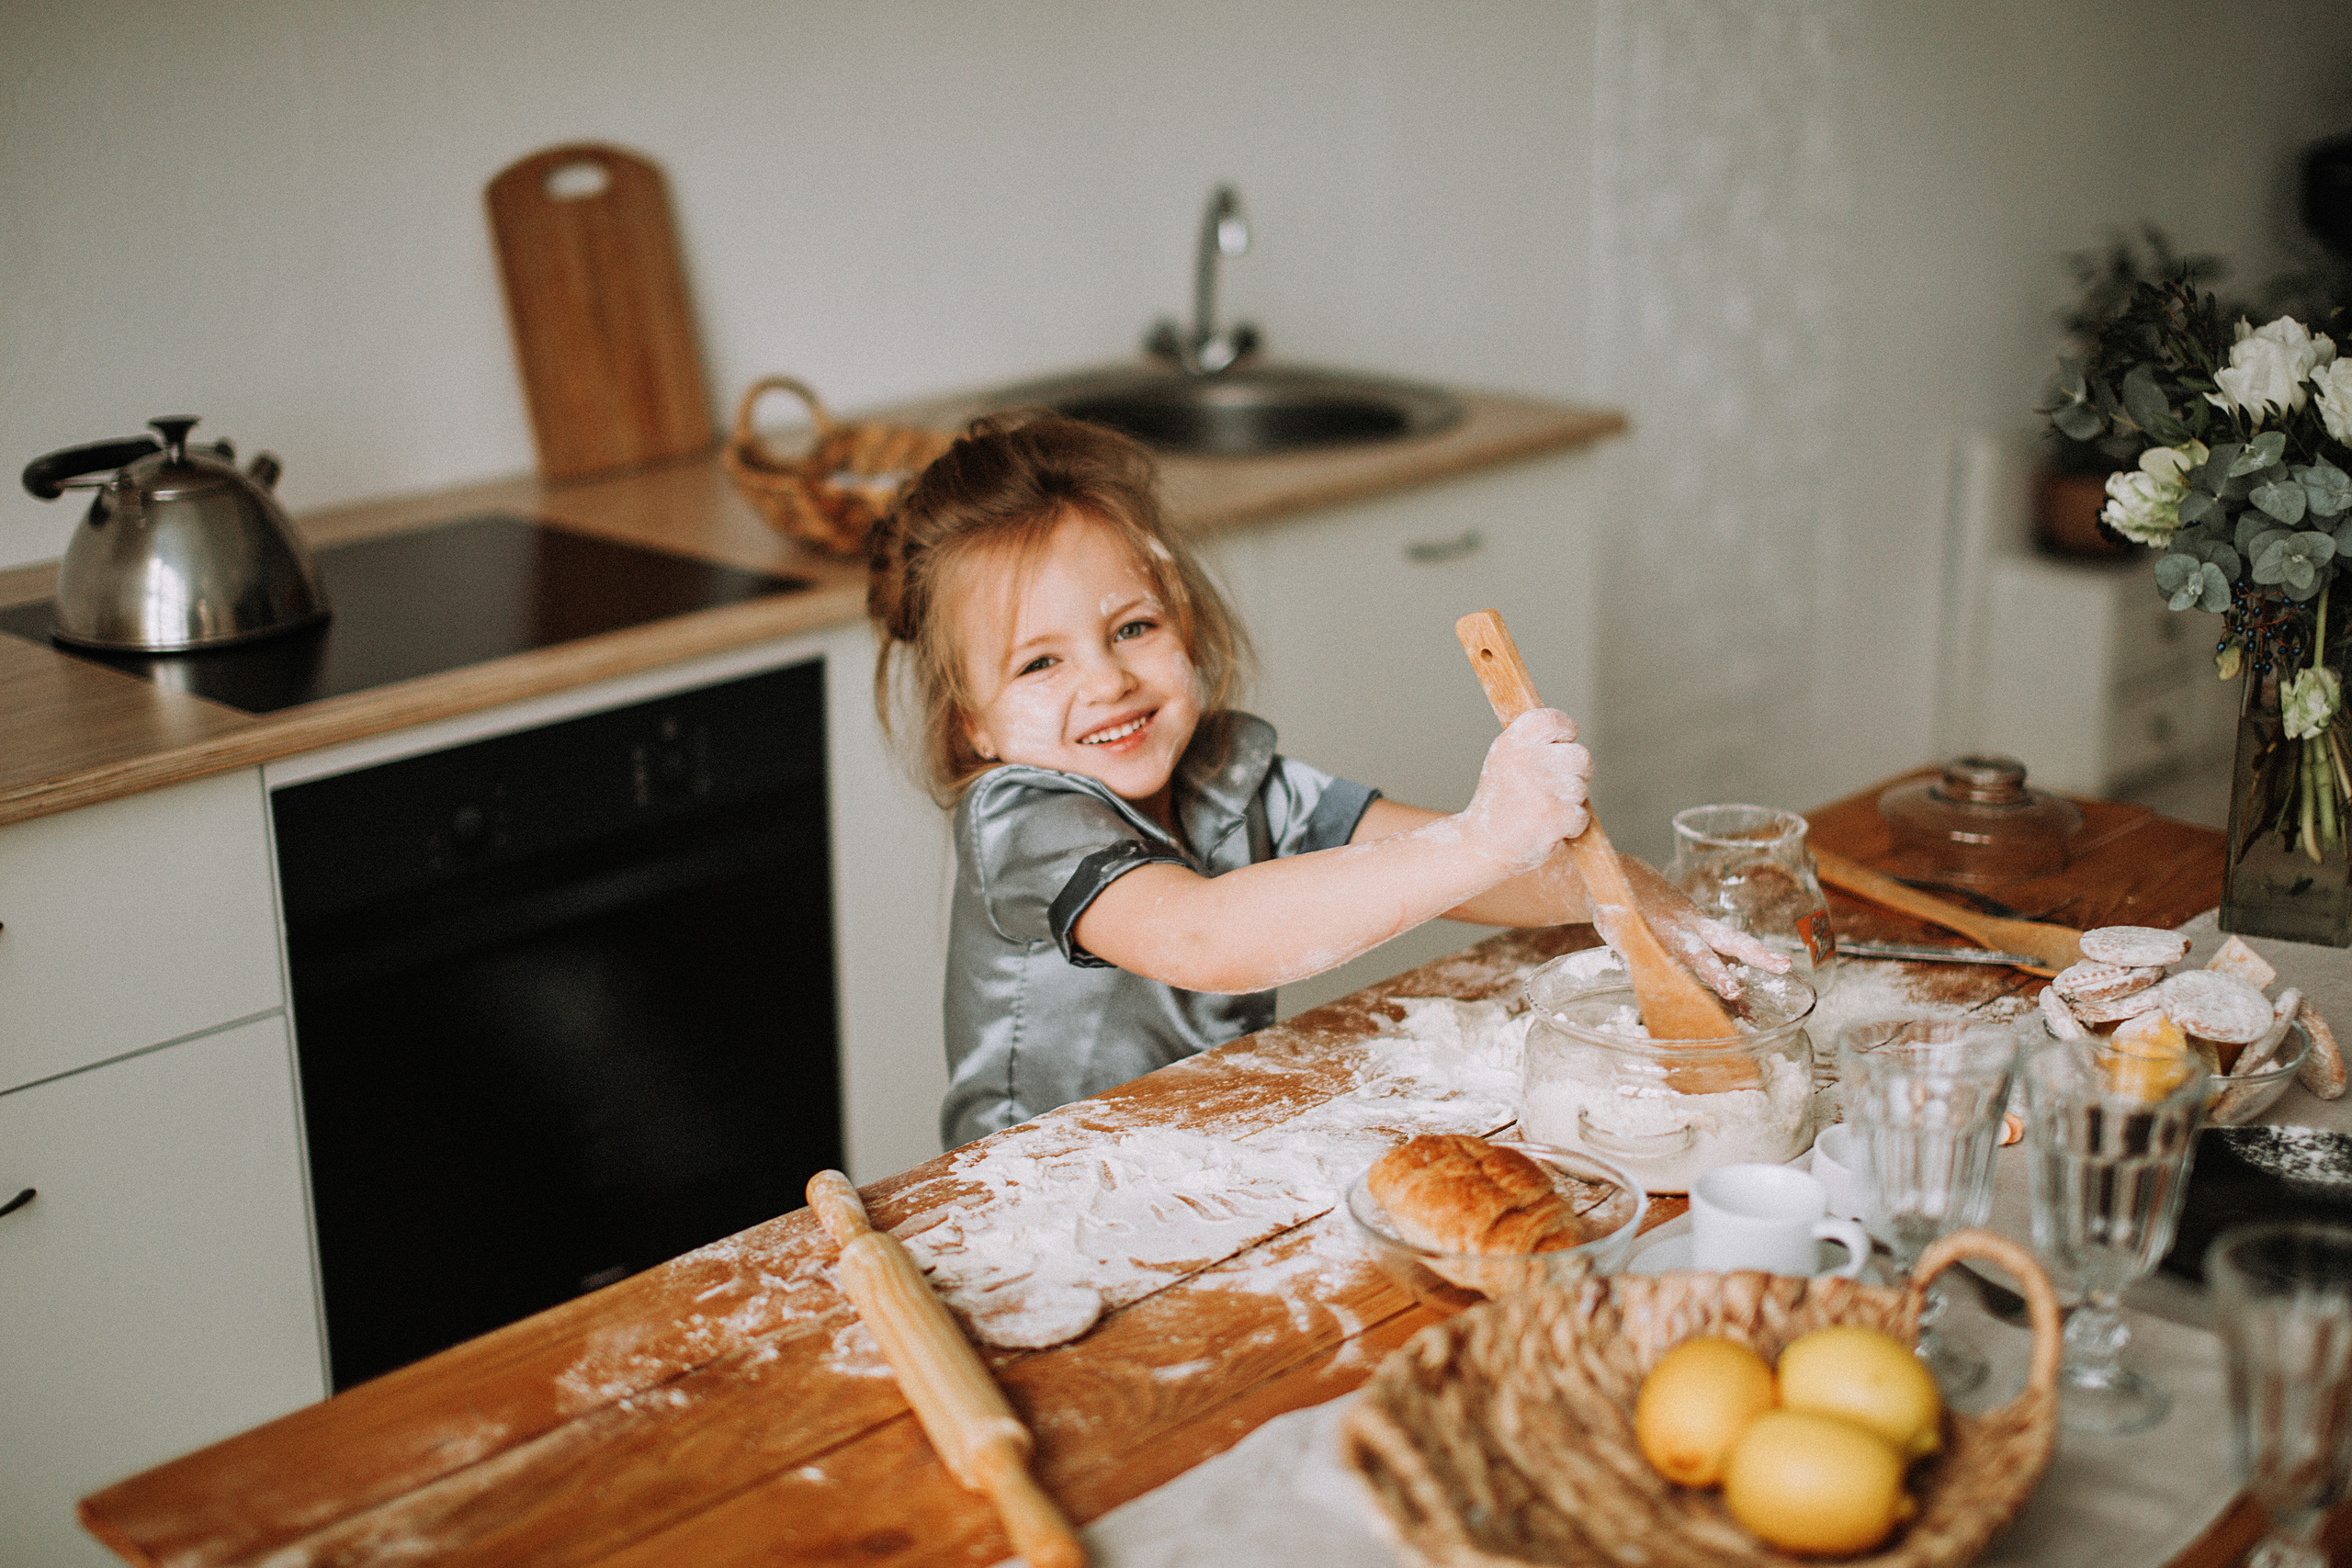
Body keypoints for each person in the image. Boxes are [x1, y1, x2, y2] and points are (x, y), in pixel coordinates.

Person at [867, 412, 1780, 1149]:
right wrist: (1483, 835)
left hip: (1196, 1154)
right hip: (1034, 1194)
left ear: (1187, 622)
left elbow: (1432, 859)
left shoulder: (1231, 775)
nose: (1106, 681)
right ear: (972, 727)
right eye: (1039, 665)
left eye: (1132, 629)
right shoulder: (1021, 819)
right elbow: (1202, 936)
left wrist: (1620, 895)